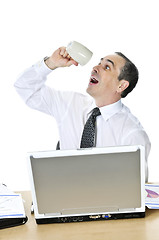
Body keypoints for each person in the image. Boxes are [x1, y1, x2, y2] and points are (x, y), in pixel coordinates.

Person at [14, 46, 151, 180]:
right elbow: (24, 87)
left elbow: (134, 190)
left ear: (121, 86)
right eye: (99, 63)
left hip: (106, 201)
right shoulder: (70, 104)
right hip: (63, 194)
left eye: (107, 67)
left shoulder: (132, 134)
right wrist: (51, 63)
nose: (95, 68)